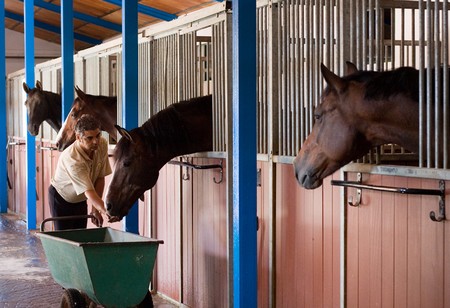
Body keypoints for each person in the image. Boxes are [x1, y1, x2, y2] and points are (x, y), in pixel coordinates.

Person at [49, 114, 113, 230]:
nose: (95, 141)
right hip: (61, 199)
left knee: (80, 237)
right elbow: (89, 192)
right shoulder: (73, 159)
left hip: (80, 198)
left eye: (98, 135)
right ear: (78, 137)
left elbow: (100, 177)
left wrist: (95, 208)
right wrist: (107, 212)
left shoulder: (102, 144)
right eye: (89, 138)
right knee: (65, 241)